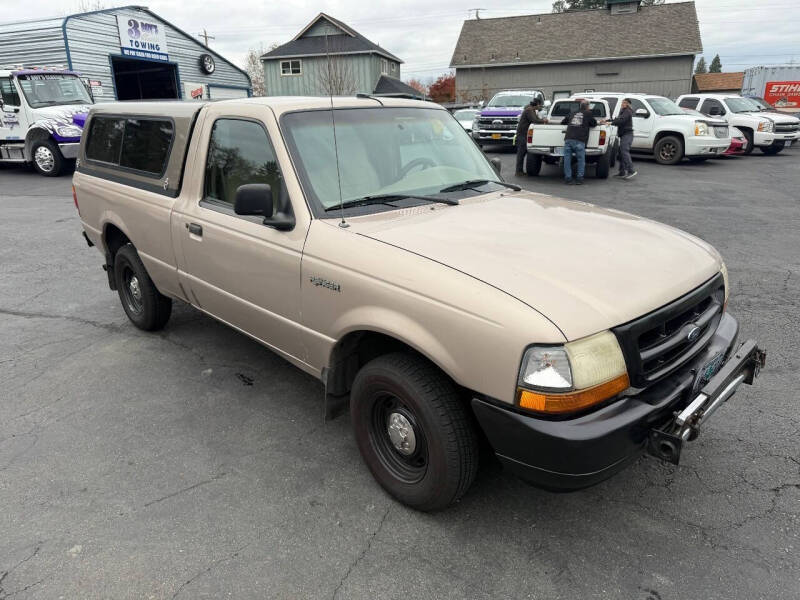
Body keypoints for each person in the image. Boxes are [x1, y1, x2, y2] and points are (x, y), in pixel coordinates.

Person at [561, 99, 597, 185]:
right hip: (580, 139)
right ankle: (579, 179)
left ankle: (568, 178)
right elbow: (594, 123)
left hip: (569, 138)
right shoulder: (588, 113)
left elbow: (563, 122)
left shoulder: (572, 112)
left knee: (567, 160)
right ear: (587, 106)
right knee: (581, 160)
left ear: (580, 106)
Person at [515, 97, 547, 176]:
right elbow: (534, 120)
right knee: (521, 153)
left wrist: (542, 120)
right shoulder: (529, 110)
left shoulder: (531, 110)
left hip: (524, 134)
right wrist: (543, 121)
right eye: (540, 105)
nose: (540, 107)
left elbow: (536, 119)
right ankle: (518, 171)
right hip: (522, 134)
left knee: (522, 153)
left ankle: (520, 171)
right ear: (537, 104)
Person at [611, 98, 637, 180]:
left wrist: (611, 123)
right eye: (622, 102)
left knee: (624, 151)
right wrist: (608, 120)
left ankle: (631, 170)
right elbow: (618, 119)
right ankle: (622, 172)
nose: (622, 104)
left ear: (628, 104)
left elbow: (621, 120)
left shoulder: (627, 111)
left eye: (625, 103)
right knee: (621, 153)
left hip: (627, 135)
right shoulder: (623, 111)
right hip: (623, 135)